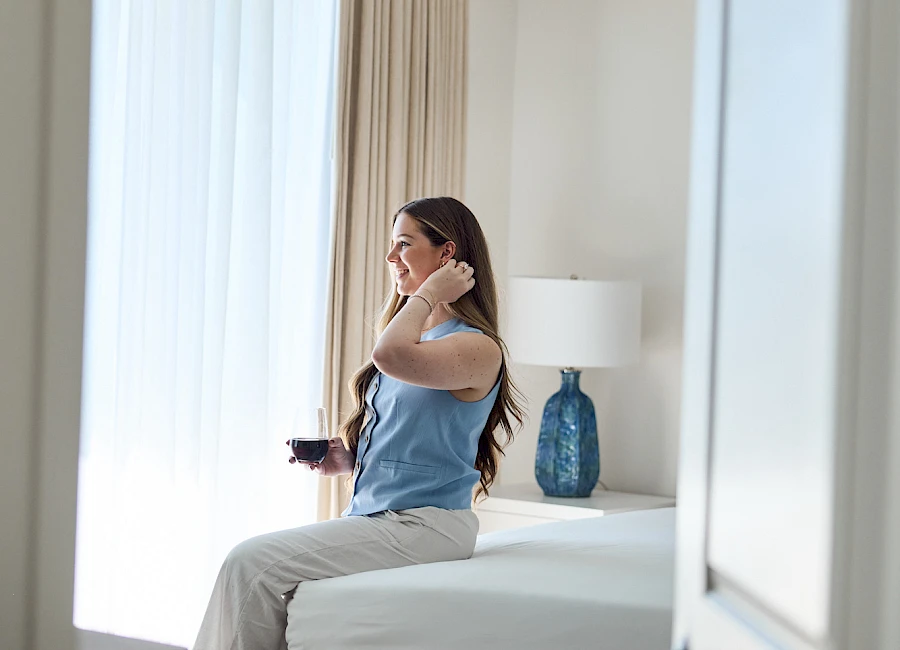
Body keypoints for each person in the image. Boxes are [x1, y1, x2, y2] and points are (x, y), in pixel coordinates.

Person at [192, 196, 525, 650]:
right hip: (385, 517)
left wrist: (427, 294)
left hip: (427, 525)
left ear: (446, 254)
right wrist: (352, 460)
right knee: (260, 572)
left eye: (404, 245)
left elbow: (387, 355)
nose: (391, 258)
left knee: (250, 563)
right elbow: (422, 439)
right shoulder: (424, 339)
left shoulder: (478, 348)